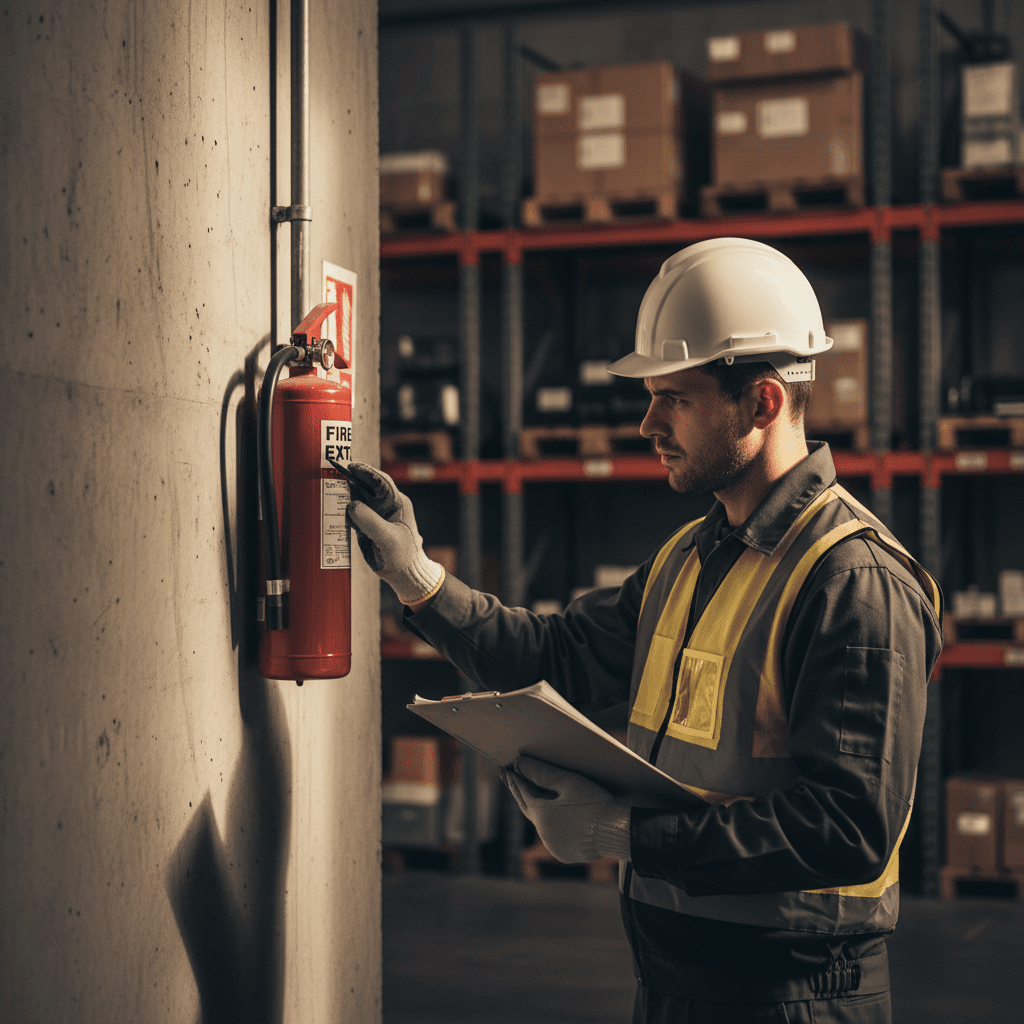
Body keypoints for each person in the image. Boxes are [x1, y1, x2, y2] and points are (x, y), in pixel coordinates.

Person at [348, 238, 943, 1024]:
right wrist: (416, 577)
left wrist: (619, 832)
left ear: (762, 403)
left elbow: (845, 827)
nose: (647, 423)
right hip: (674, 981)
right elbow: (557, 657)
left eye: (676, 398)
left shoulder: (852, 583)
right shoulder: (692, 555)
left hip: (791, 999)